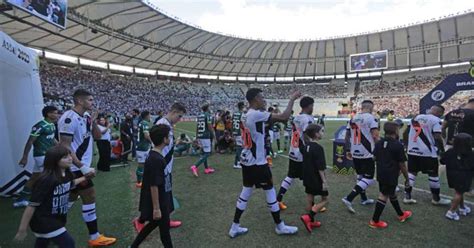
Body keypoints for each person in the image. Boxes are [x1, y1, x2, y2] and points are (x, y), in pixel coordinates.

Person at [228, 88, 301, 238]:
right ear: (255, 99)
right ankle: (279, 226)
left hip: (247, 160)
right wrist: (292, 99)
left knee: (246, 191)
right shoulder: (255, 114)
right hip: (258, 162)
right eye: (261, 98)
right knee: (270, 191)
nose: (264, 100)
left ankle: (234, 226)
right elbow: (285, 116)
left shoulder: (247, 115)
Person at [57, 89, 116, 246]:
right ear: (79, 101)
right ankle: (94, 236)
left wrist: (94, 121)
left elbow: (97, 136)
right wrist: (82, 167)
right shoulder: (69, 119)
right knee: (89, 196)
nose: (92, 102)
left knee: (70, 197)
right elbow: (65, 146)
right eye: (89, 100)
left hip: (82, 165)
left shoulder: (87, 117)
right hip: (76, 166)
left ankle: (52, 226)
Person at [14, 145, 94, 248]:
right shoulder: (46, 180)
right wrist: (22, 228)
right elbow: (31, 205)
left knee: (43, 242)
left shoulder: (67, 174)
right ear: (54, 160)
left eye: (70, 155)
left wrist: (84, 178)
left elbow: (69, 184)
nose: (70, 158)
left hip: (57, 218)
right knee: (69, 244)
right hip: (44, 220)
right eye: (65, 157)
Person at [134, 103, 187, 231]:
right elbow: (156, 145)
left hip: (166, 166)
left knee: (167, 194)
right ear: (173, 111)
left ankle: (166, 219)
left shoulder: (167, 124)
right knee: (156, 196)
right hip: (161, 166)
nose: (179, 119)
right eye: (179, 116)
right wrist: (160, 164)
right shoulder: (161, 124)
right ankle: (140, 220)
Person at [130, 125, 174, 248]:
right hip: (160, 202)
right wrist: (156, 208)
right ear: (164, 139)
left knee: (153, 225)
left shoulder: (155, 155)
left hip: (162, 199)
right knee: (164, 232)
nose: (170, 138)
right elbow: (154, 185)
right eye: (169, 136)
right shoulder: (156, 159)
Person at [404, 105, 450, 205]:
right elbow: (437, 136)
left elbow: (405, 132)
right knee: (433, 175)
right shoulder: (436, 120)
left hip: (412, 151)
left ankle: (407, 197)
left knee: (411, 173)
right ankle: (436, 199)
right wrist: (442, 151)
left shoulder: (415, 118)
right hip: (428, 153)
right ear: (440, 113)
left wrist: (407, 145)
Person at [369, 122, 412, 229]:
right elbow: (402, 164)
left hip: (380, 173)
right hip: (391, 174)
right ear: (396, 131)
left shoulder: (379, 143)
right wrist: (407, 178)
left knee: (391, 193)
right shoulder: (398, 145)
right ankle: (374, 221)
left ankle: (401, 214)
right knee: (384, 195)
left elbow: (374, 157)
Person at [14, 106, 59, 208]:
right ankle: (46, 199)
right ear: (48, 114)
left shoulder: (52, 125)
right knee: (49, 177)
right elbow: (30, 141)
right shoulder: (40, 126)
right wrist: (24, 157)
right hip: (41, 155)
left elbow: (52, 139)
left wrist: (60, 146)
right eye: (55, 113)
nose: (57, 115)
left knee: (35, 177)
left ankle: (22, 199)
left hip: (47, 155)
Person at [277, 96, 315, 210]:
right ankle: (312, 206)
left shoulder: (297, 117)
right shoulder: (307, 118)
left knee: (290, 176)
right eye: (312, 105)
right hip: (303, 152)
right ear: (308, 106)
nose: (313, 108)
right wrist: (311, 150)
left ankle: (278, 199)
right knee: (311, 178)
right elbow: (307, 136)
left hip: (294, 150)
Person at [342, 100, 379, 214]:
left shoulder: (353, 118)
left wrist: (348, 149)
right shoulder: (371, 118)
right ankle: (349, 198)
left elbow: (347, 135)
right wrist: (378, 151)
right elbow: (375, 136)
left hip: (355, 151)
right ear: (371, 107)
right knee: (368, 178)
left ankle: (363, 199)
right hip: (367, 153)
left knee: (360, 175)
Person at [300, 124, 328, 233]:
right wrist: (324, 181)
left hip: (307, 177)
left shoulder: (306, 145)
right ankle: (309, 216)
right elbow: (321, 167)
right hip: (316, 178)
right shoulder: (318, 148)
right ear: (316, 134)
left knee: (310, 196)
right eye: (321, 131)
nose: (322, 133)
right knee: (325, 199)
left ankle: (311, 221)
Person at [441, 133, 474, 221]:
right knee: (459, 193)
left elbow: (442, 161)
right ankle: (451, 212)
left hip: (451, 175)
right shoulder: (470, 154)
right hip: (464, 176)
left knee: (459, 191)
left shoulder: (450, 151)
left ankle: (462, 207)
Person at [190, 104, 216, 177]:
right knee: (207, 153)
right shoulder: (207, 115)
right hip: (205, 136)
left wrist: (197, 136)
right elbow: (209, 126)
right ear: (207, 108)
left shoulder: (199, 115)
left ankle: (206, 168)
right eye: (209, 107)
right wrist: (214, 135)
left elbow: (197, 127)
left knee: (204, 152)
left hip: (201, 135)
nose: (210, 109)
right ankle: (195, 166)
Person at [135, 111, 152, 188]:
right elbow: (146, 135)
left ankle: (143, 179)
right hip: (142, 147)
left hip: (142, 146)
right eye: (149, 115)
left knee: (144, 164)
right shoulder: (144, 123)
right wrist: (152, 142)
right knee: (141, 165)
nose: (150, 117)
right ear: (147, 116)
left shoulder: (141, 122)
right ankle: (139, 182)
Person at [232, 102, 245, 169]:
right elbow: (242, 124)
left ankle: (237, 162)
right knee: (240, 147)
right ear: (242, 106)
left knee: (239, 147)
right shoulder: (241, 114)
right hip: (240, 132)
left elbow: (232, 123)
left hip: (235, 131)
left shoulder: (234, 114)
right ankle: (237, 163)